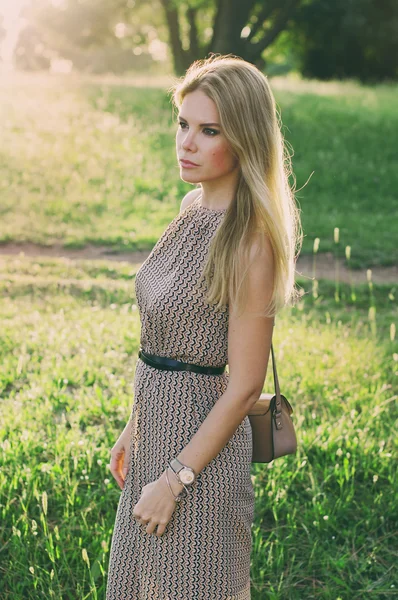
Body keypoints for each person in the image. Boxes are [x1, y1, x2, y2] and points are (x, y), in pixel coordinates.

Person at [105, 54, 302, 599]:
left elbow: (244, 386)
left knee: (191, 585)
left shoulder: (249, 241)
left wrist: (174, 480)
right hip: (155, 432)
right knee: (139, 584)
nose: (186, 143)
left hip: (200, 460)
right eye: (183, 124)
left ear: (243, 139)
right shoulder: (192, 208)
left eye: (208, 130)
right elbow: (163, 345)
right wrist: (135, 426)